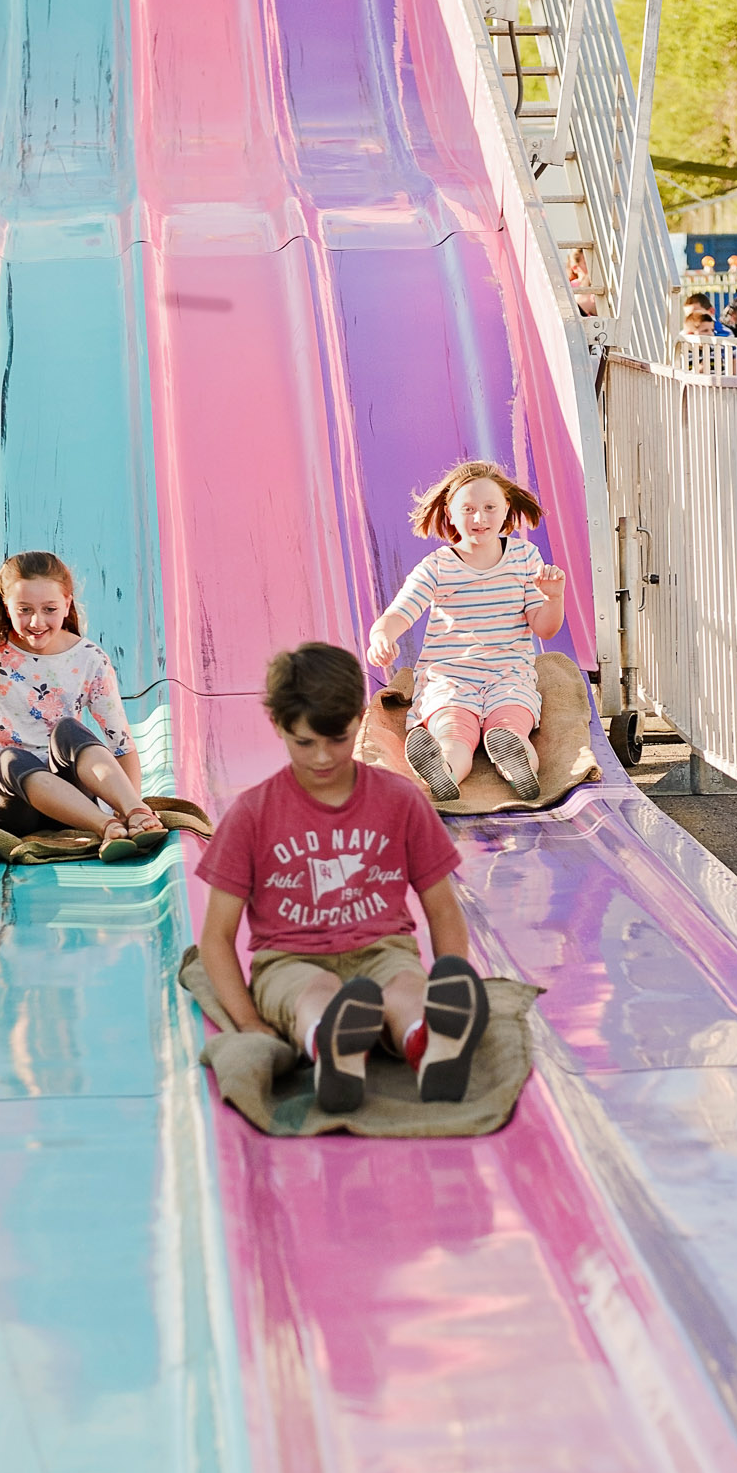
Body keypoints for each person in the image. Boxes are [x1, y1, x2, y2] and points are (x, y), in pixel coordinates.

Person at [196, 642, 489, 1113]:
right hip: (291, 960)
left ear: (359, 717)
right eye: (304, 742)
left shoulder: (400, 799)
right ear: (278, 725)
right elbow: (216, 936)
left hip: (384, 950)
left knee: (407, 991)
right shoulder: (253, 813)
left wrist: (448, 977)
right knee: (317, 996)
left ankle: (432, 1044)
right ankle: (338, 1051)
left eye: (337, 739)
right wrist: (250, 1022)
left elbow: (442, 908)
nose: (321, 757)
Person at [0, 548, 167, 860]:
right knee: (12, 759)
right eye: (24, 609)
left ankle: (136, 814)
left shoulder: (89, 658)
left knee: (70, 730)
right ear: (7, 606)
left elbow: (121, 744)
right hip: (8, 802)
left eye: (49, 609)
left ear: (67, 603)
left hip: (69, 802)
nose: (37, 621)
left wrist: (128, 800)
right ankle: (105, 827)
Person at [365, 459, 565, 805]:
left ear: (507, 508)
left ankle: (518, 764)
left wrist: (553, 598)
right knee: (454, 731)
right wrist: (381, 636)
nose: (479, 518)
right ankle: (442, 769)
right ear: (450, 513)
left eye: (490, 507)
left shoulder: (524, 557)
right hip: (450, 676)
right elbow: (398, 613)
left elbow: (544, 627)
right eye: (468, 509)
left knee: (511, 724)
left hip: (508, 673)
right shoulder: (438, 566)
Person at [566, 248, 598, 317]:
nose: (591, 267)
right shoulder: (570, 287)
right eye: (586, 263)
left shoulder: (598, 282)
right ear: (575, 268)